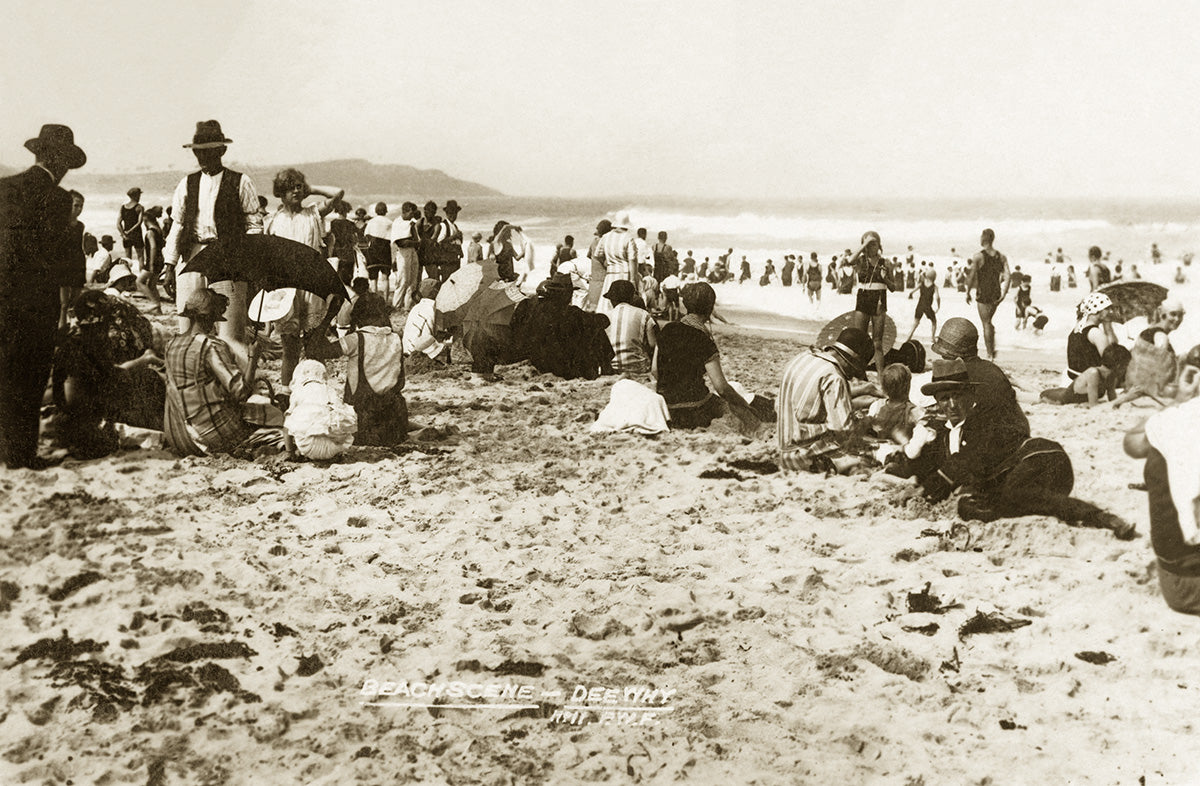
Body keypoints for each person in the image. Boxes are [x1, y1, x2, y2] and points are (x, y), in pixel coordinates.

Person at [896, 358, 1135, 538]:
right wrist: (904, 463)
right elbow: (925, 463)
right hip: (1027, 476)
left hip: (1042, 459)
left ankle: (1101, 517)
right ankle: (1083, 514)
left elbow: (967, 459)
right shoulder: (944, 434)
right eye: (945, 398)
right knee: (979, 505)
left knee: (1011, 496)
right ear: (937, 401)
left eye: (957, 395)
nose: (952, 404)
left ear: (970, 395)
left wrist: (931, 485)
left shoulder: (984, 420)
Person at [0, 124, 86, 469]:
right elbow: (66, 263)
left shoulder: (5, 188)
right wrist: (67, 310)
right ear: (60, 161)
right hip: (36, 302)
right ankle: (19, 455)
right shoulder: (60, 198)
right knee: (29, 377)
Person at [163, 120, 264, 363]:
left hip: (229, 257)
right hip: (193, 254)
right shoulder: (186, 183)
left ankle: (237, 387)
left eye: (208, 151)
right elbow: (177, 225)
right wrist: (169, 265)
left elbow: (254, 224)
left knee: (231, 333)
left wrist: (248, 261)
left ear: (221, 151)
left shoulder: (241, 181)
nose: (201, 156)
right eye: (198, 151)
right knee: (187, 324)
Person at [163, 288, 284, 457]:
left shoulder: (171, 344)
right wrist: (253, 358)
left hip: (178, 434)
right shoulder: (211, 345)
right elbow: (241, 392)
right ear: (212, 318)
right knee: (277, 420)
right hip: (210, 435)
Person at [1123, 357, 1200, 613]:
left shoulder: (1171, 421)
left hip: (1172, 574)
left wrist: (1178, 401)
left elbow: (1132, 444)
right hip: (1191, 581)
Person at [51, 289, 165, 458]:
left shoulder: (84, 342)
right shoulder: (78, 348)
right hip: (83, 427)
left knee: (147, 380)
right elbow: (73, 399)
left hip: (83, 417)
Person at [263, 168, 344, 389]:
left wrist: (312, 188)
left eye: (299, 186)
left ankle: (315, 392)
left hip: (312, 284)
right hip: (286, 288)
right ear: (281, 191)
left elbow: (338, 193)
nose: (296, 190)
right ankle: (288, 393)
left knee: (314, 345)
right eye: (291, 187)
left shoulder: (314, 213)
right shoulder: (272, 220)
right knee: (289, 347)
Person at [653, 282, 759, 432]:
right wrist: (743, 404)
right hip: (695, 408)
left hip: (668, 408)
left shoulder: (667, 329)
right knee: (736, 408)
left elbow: (654, 371)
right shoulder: (703, 339)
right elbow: (721, 388)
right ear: (710, 308)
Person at [308, 292, 407, 445]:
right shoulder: (396, 339)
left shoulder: (356, 339)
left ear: (358, 316)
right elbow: (400, 383)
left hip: (363, 423)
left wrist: (328, 317)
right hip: (395, 424)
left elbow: (316, 351)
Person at [777, 326, 876, 473]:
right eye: (854, 370)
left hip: (782, 448)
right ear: (852, 361)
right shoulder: (834, 377)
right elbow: (843, 429)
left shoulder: (802, 357)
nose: (852, 376)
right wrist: (864, 422)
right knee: (869, 455)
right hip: (805, 457)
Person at [931, 317, 1029, 437]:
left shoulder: (958, 375)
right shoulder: (992, 368)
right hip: (1019, 429)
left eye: (944, 355)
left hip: (990, 437)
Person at [510, 274, 613, 380]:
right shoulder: (569, 312)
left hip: (529, 360)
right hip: (559, 367)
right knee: (594, 329)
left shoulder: (525, 306)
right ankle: (606, 368)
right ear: (563, 294)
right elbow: (604, 321)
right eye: (570, 293)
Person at [1113, 296, 1186, 407]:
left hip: (1133, 384)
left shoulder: (1149, 330)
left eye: (1180, 315)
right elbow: (1161, 365)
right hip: (1151, 390)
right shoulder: (1161, 336)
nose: (1177, 319)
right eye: (1173, 314)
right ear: (1163, 315)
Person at [283, 359, 357, 460]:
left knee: (290, 417)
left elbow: (288, 425)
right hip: (335, 447)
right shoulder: (330, 390)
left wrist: (290, 451)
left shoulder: (299, 391)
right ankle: (334, 452)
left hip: (308, 446)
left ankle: (290, 453)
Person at [850, 230, 894, 374]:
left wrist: (884, 278)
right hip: (863, 298)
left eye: (873, 244)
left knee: (877, 342)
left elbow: (893, 287)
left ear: (879, 245)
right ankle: (859, 374)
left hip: (879, 301)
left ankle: (881, 377)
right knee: (859, 339)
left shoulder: (885, 263)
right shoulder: (861, 261)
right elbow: (849, 260)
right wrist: (865, 244)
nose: (870, 247)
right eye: (867, 245)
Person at [1065, 292, 1118, 406]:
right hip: (1089, 387)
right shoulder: (1096, 333)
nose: (1111, 312)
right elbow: (1110, 363)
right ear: (1096, 311)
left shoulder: (1077, 328)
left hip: (1071, 380)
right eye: (1107, 309)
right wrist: (1108, 328)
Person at [965, 229, 1010, 361]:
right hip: (996, 293)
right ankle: (992, 348)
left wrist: (967, 292)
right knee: (989, 322)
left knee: (986, 323)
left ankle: (990, 355)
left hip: (983, 293)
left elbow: (972, 275)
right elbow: (1008, 275)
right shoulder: (1001, 257)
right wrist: (1004, 293)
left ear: (984, 239)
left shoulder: (978, 256)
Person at [603, 280, 658, 376]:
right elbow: (652, 344)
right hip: (638, 367)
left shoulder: (605, 316)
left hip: (612, 368)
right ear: (632, 298)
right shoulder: (643, 314)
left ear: (612, 299)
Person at [403, 278, 452, 374]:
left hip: (407, 349)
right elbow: (437, 334)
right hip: (419, 351)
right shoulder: (434, 309)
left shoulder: (417, 307)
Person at [391, 202, 420, 307]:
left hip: (412, 251)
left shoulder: (411, 223)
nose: (412, 215)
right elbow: (401, 243)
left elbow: (414, 241)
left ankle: (407, 305)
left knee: (413, 280)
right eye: (411, 213)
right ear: (406, 211)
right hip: (403, 253)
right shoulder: (398, 223)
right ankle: (397, 305)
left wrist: (414, 242)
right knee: (403, 280)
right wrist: (415, 243)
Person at [363, 202, 394, 302]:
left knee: (373, 279)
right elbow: (392, 239)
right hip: (385, 250)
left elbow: (366, 236)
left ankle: (373, 302)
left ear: (376, 211)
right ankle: (384, 301)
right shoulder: (390, 222)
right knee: (385, 278)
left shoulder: (371, 222)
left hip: (373, 250)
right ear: (386, 210)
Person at [138, 205, 165, 313]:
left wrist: (151, 263)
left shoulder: (150, 232)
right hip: (160, 259)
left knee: (139, 281)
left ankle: (154, 303)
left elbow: (153, 247)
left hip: (153, 260)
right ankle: (158, 309)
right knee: (152, 285)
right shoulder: (158, 230)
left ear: (145, 219)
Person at [327, 199, 360, 286]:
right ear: (347, 210)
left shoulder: (333, 223)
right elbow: (357, 239)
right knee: (348, 279)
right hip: (348, 253)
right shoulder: (351, 224)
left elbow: (330, 238)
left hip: (337, 252)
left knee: (337, 278)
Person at [905, 268, 940, 344]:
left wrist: (910, 295)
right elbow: (937, 297)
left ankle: (908, 338)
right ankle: (933, 338)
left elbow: (912, 291)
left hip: (920, 305)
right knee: (934, 321)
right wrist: (938, 306)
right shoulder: (934, 287)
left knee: (915, 323)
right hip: (928, 307)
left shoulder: (921, 284)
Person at [117, 187, 145, 269]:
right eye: (139, 195)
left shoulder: (123, 207)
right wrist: (130, 231)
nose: (140, 197)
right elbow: (139, 223)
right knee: (140, 256)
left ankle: (127, 276)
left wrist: (123, 234)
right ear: (136, 196)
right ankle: (141, 277)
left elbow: (118, 223)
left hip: (126, 236)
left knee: (128, 258)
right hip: (136, 235)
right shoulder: (139, 207)